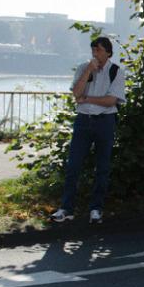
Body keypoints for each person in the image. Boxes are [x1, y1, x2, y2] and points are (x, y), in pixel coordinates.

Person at [50, 37, 127, 224]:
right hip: (83, 120)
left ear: (108, 52)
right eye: (93, 50)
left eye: (99, 50)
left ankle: (96, 208)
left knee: (102, 166)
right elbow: (76, 93)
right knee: (73, 165)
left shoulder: (116, 71)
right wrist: (88, 72)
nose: (95, 54)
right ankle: (66, 208)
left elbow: (112, 100)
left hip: (105, 121)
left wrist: (88, 99)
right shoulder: (84, 67)